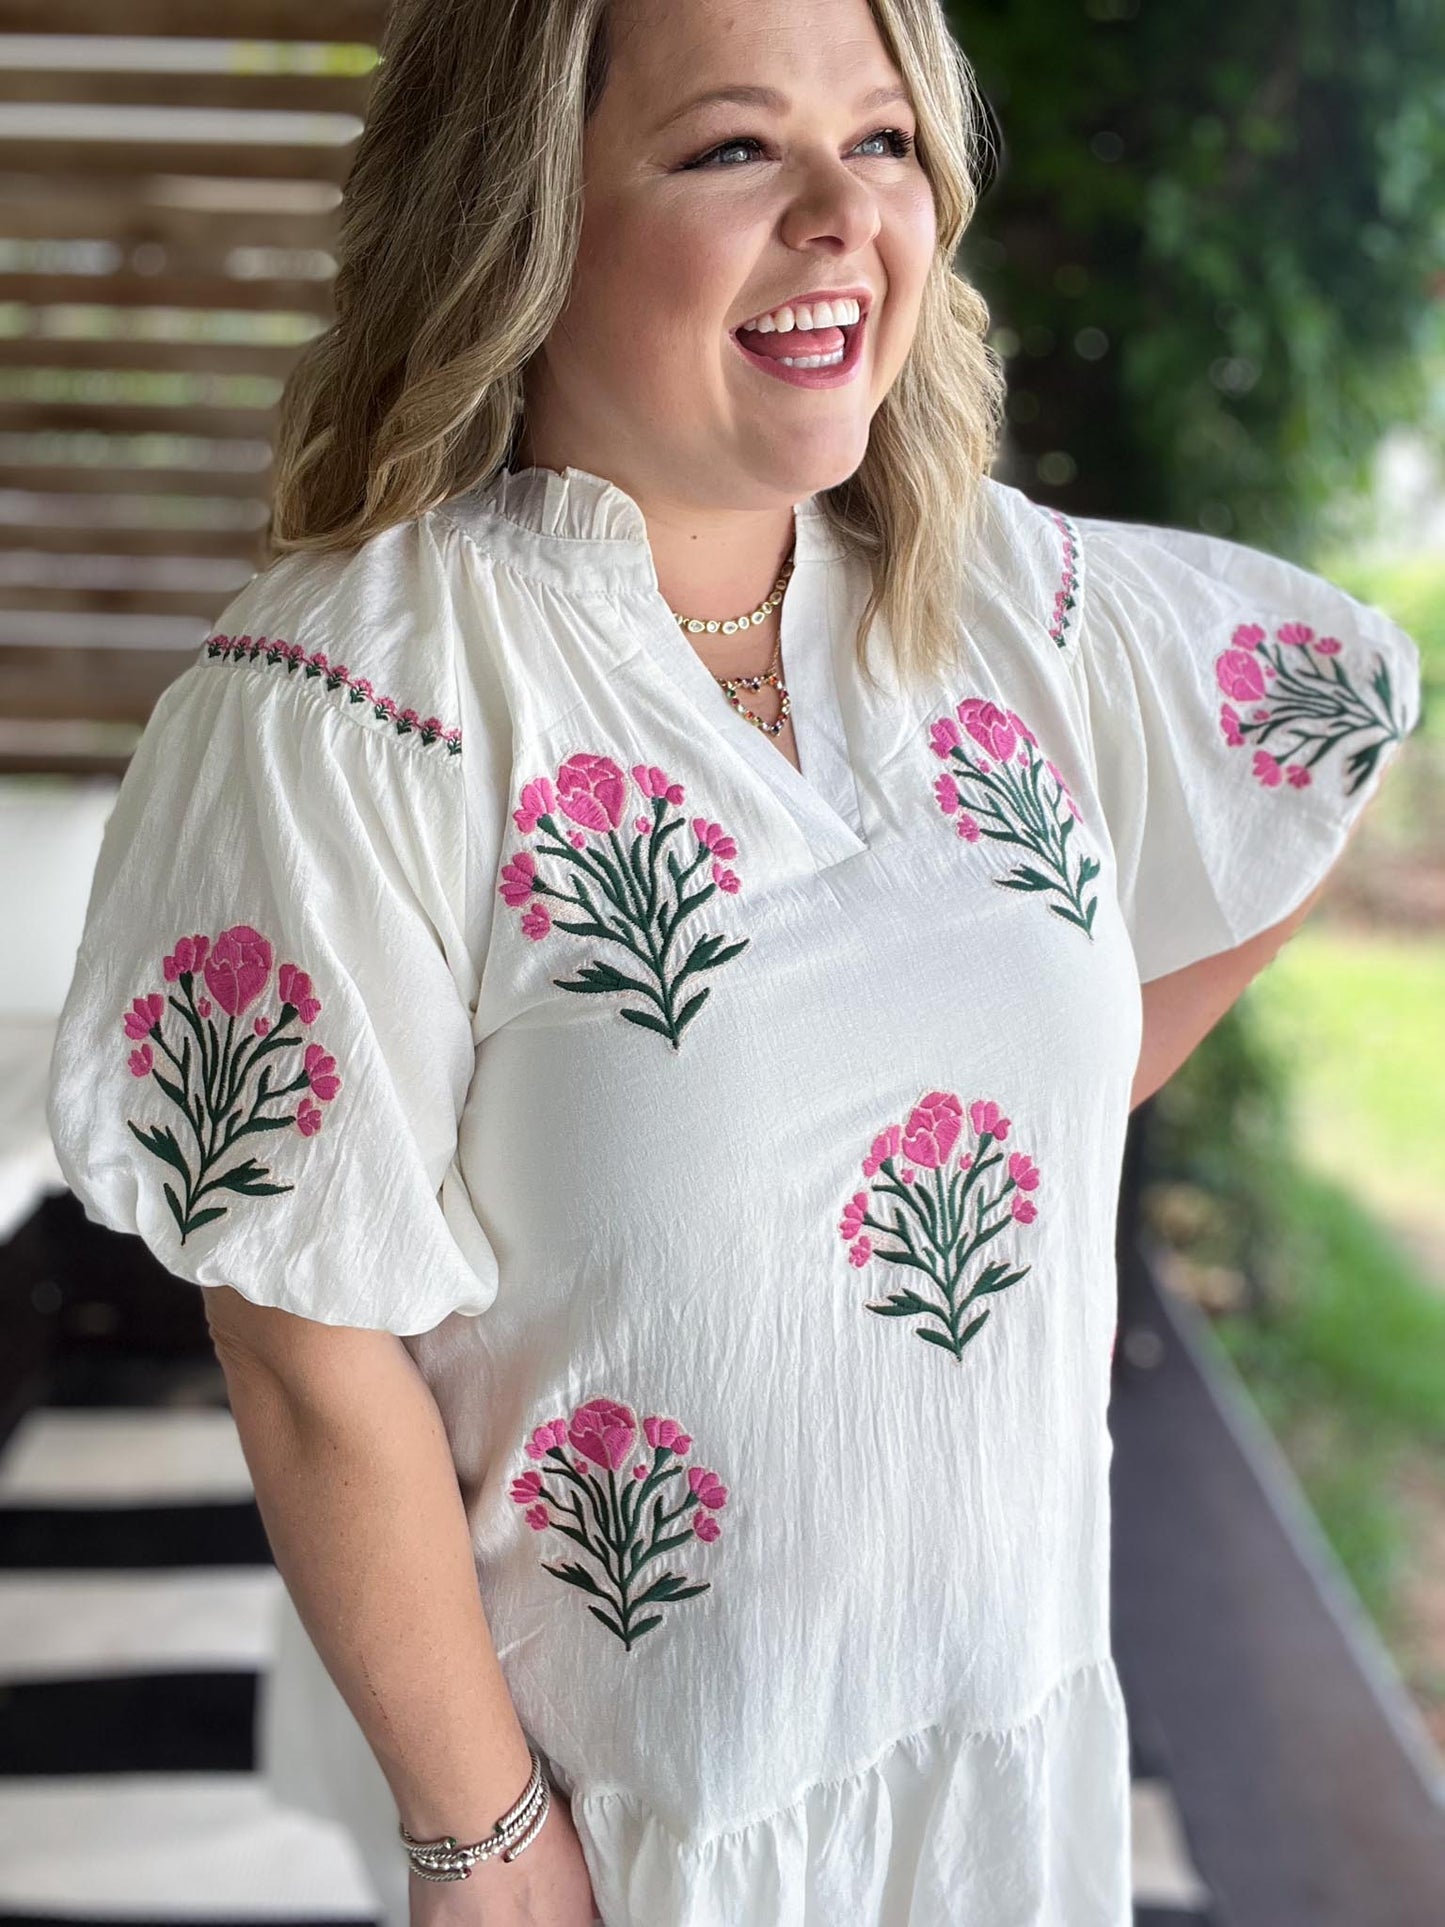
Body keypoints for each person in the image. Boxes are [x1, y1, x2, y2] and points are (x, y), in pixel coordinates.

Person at [45, 0, 1423, 1922]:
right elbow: (299, 1337)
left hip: (1006, 1763)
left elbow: (1330, 710)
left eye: (879, 140)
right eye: (728, 151)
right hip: (648, 1817)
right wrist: (484, 1839)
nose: (842, 216)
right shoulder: (357, 701)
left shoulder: (1003, 596)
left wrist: (1030, 1111)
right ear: (521, 215)